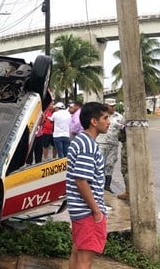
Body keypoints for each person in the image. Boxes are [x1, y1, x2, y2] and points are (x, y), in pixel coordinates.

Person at [66, 102, 110, 269]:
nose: (108, 122)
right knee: (85, 261)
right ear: (94, 121)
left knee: (77, 253)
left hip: (80, 210)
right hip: (88, 212)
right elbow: (81, 180)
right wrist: (96, 211)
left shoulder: (80, 140)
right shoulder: (88, 145)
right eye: (105, 118)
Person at [95, 99, 125, 193]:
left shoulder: (119, 117)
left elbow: (123, 130)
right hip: (101, 142)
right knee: (99, 164)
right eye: (110, 106)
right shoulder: (99, 115)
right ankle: (97, 185)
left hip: (113, 143)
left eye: (113, 106)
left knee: (110, 164)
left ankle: (107, 186)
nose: (112, 108)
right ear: (106, 106)